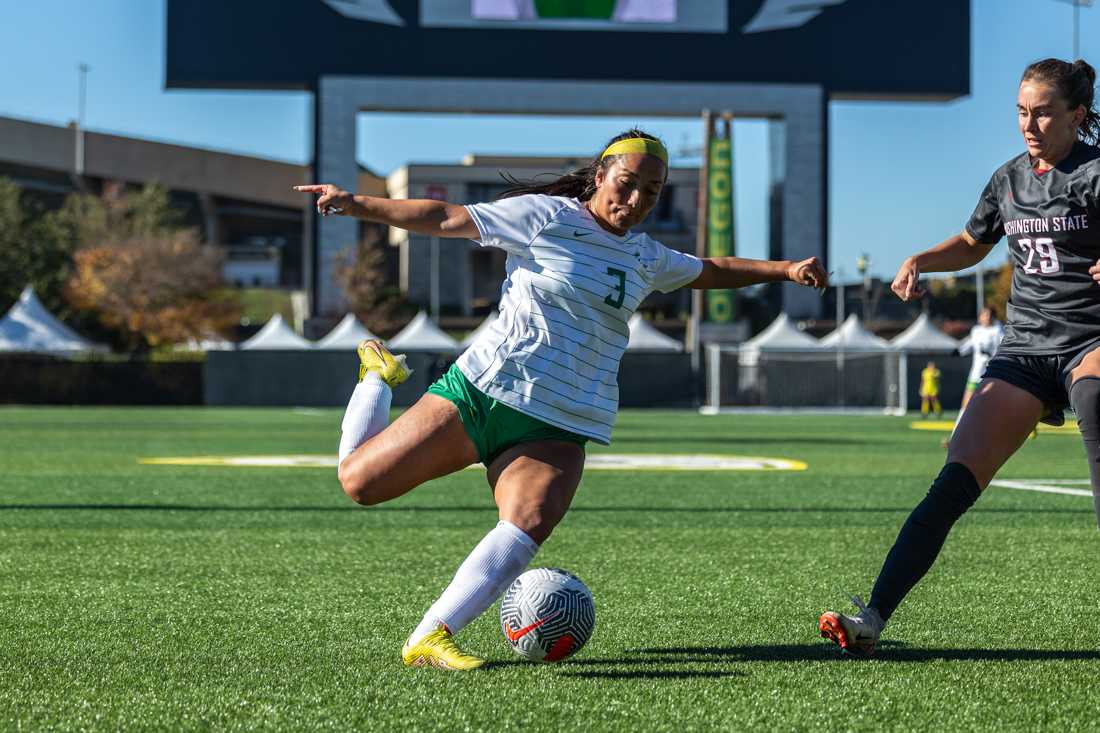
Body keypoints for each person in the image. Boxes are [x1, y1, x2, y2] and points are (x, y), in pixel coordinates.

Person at [297, 130, 828, 670]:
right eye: (626, 184)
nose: (636, 200)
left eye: (652, 191)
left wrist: (783, 270)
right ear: (599, 178)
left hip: (563, 419)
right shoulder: (547, 217)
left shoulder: (647, 256)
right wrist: (356, 203)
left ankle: (431, 636)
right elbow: (444, 216)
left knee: (528, 519)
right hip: (485, 392)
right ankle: (378, 377)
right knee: (360, 484)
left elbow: (711, 270)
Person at [819, 58, 1100, 657]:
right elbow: (973, 244)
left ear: (1077, 114)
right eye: (1022, 111)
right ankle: (872, 617)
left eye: (1044, 111)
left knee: (1097, 401)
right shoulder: (1007, 180)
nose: (1030, 123)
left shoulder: (1098, 173)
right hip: (1025, 348)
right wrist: (921, 258)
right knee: (953, 479)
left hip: (1090, 340)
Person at [941, 307, 1005, 447]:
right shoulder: (976, 331)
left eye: (988, 315)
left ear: (992, 317)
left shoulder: (998, 331)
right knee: (965, 406)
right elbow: (968, 345)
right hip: (975, 374)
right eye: (983, 314)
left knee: (991, 408)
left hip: (992, 375)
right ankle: (954, 438)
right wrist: (957, 351)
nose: (985, 317)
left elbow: (1004, 348)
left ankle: (994, 439)